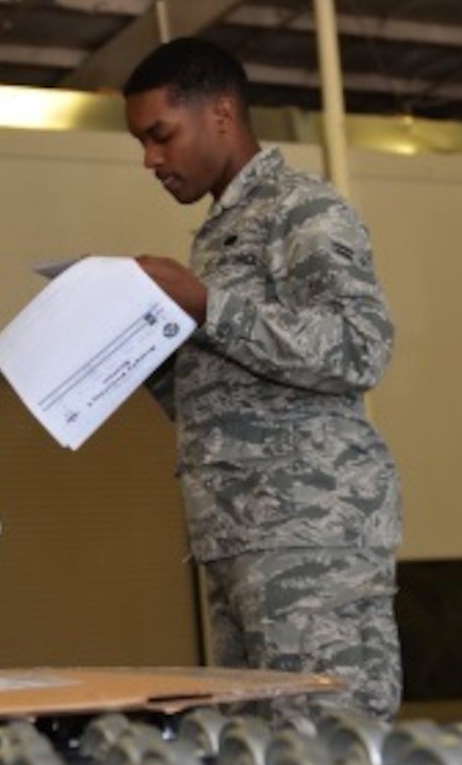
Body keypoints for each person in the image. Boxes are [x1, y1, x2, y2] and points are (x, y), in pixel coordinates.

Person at [122, 37, 403, 717]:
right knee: (258, 755)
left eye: (161, 136)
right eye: (142, 144)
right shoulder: (218, 234)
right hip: (237, 534)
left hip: (312, 533)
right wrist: (144, 353)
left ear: (221, 113)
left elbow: (359, 348)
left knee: (331, 745)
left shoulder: (301, 210)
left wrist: (208, 305)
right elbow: (235, 392)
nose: (151, 161)